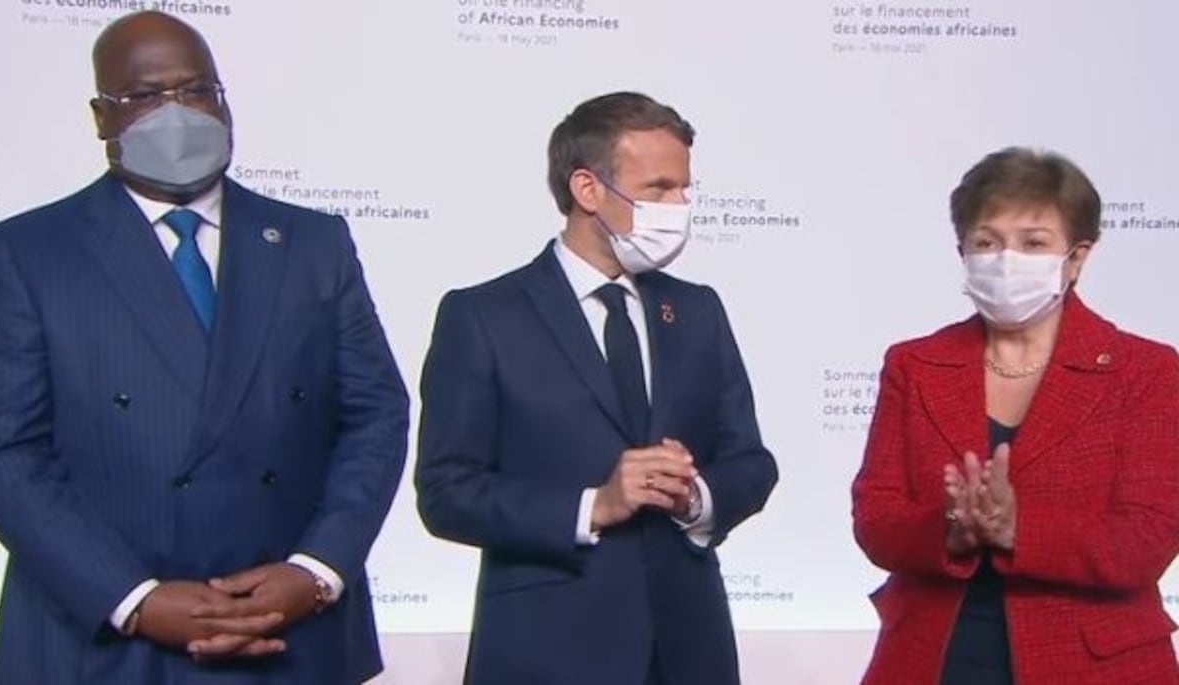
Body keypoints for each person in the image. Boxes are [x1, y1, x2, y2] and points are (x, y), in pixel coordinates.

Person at [0, 11, 409, 684]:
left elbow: (375, 414)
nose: (177, 111)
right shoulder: (28, 252)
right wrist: (133, 598)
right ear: (101, 116)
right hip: (104, 646)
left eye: (197, 89)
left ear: (225, 99)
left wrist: (315, 570)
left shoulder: (313, 243)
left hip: (291, 632)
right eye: (145, 95)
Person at [415, 91, 778, 685]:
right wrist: (595, 505)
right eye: (660, 188)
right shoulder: (482, 317)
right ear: (587, 190)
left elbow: (751, 462)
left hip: (689, 653)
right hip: (545, 653)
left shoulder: (698, 310)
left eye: (685, 189)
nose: (679, 206)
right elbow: (446, 491)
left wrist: (696, 499)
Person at [852, 147, 1179, 684]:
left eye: (1033, 244)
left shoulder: (1144, 370)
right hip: (931, 659)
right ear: (962, 251)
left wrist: (1016, 527)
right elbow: (876, 520)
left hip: (1097, 666)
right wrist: (951, 529)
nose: (1006, 261)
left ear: (1077, 257)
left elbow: (1146, 539)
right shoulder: (913, 364)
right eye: (987, 242)